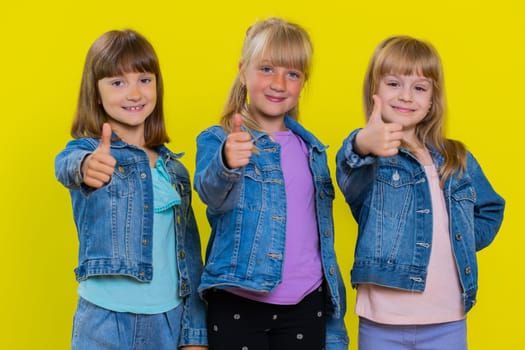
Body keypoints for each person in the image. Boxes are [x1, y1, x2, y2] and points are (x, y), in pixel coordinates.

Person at [335, 35, 505, 350]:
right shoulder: (371, 155)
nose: (407, 96)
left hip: (447, 319)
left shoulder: (456, 157)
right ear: (375, 91)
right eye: (394, 84)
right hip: (382, 320)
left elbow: (491, 208)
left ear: (431, 101)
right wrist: (364, 143)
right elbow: (349, 172)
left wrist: (461, 241)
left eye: (419, 88)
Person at [193, 17, 348, 350]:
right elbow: (209, 193)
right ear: (242, 70)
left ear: (302, 83)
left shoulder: (312, 150)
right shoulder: (220, 139)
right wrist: (226, 162)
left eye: (292, 74)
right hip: (239, 300)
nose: (279, 83)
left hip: (307, 302)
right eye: (267, 69)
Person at [55, 29, 207, 350]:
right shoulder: (93, 154)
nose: (134, 93)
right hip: (104, 321)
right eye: (118, 83)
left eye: (144, 80)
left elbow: (189, 259)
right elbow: (66, 164)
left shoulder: (174, 171)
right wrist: (85, 166)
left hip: (168, 321)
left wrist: (195, 336)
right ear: (95, 92)